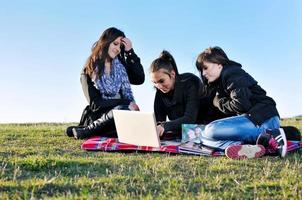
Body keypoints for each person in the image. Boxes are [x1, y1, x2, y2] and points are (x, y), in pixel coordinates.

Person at [195, 46, 287, 159]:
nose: (203, 73)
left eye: (205, 68)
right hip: (259, 121)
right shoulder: (222, 82)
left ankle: (270, 137)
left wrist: (218, 102)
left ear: (219, 64)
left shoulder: (232, 73)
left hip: (263, 120)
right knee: (204, 136)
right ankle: (246, 147)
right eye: (201, 70)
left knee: (209, 130)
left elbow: (241, 104)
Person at [66, 27, 144, 139]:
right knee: (122, 110)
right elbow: (95, 104)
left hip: (121, 116)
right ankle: (87, 130)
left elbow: (139, 78)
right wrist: (126, 102)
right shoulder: (88, 70)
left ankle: (84, 129)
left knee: (131, 118)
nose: (118, 49)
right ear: (106, 42)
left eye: (120, 46)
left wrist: (130, 52)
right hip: (99, 116)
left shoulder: (120, 67)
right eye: (115, 44)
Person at [150, 50, 202, 140]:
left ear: (173, 74)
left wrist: (164, 126)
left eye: (162, 81)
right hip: (179, 131)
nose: (159, 86)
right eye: (155, 83)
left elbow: (190, 118)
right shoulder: (160, 90)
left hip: (202, 128)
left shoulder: (190, 81)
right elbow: (159, 121)